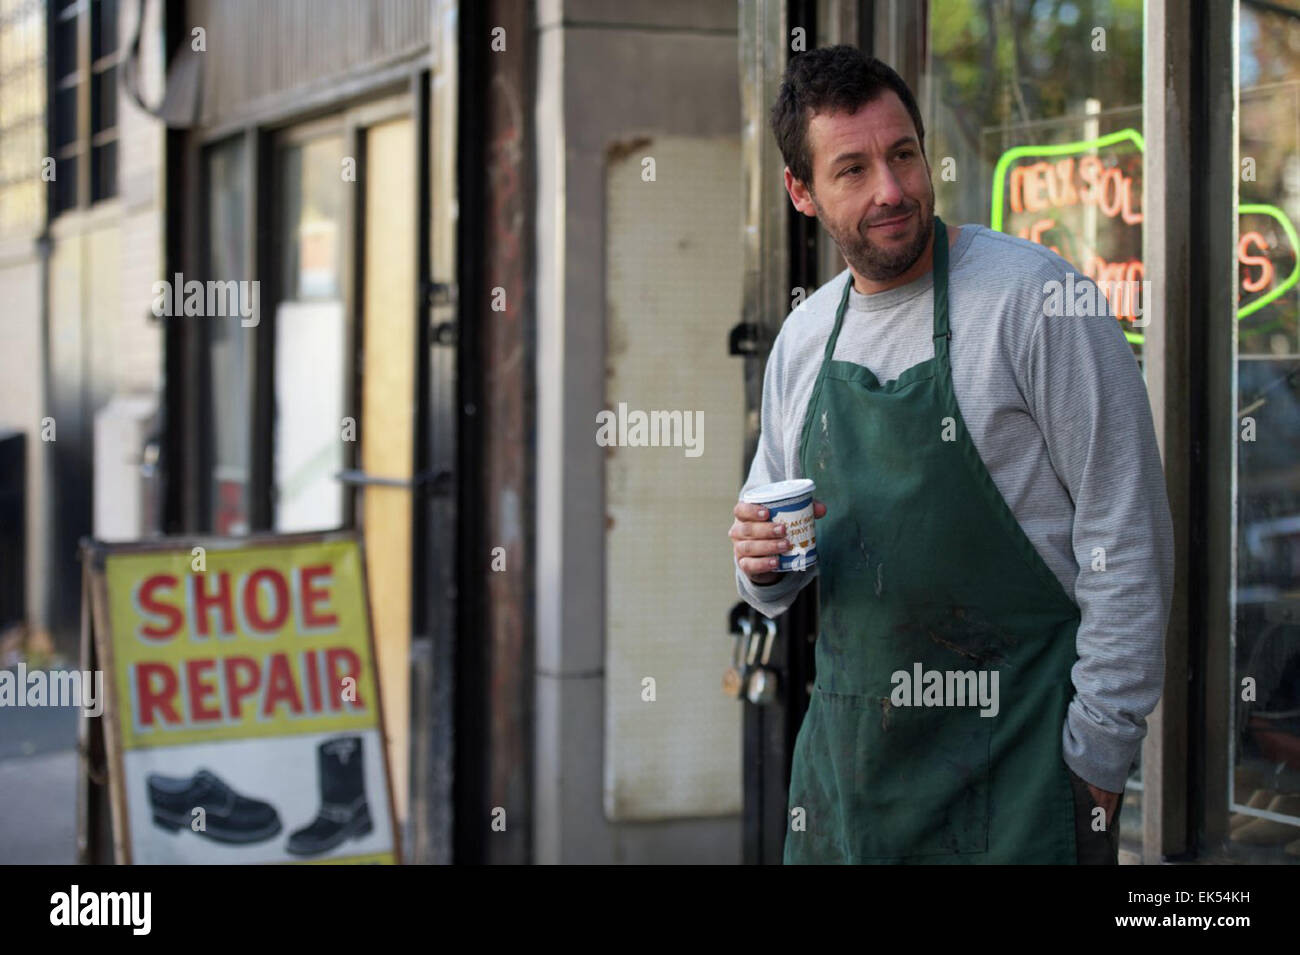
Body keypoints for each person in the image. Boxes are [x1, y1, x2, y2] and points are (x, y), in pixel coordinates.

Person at [728, 45, 1174, 864]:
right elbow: (775, 566)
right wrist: (760, 568)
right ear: (801, 192)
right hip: (852, 790)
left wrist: (1096, 766)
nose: (891, 190)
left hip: (1022, 788)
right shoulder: (802, 341)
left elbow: (1129, 539)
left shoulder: (1037, 300)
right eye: (852, 169)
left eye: (902, 155)